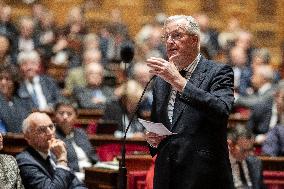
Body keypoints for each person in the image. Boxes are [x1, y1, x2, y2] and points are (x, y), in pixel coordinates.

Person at [145, 15, 235, 189]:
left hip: (203, 176)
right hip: (166, 175)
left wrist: (180, 82)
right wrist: (152, 139)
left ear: (194, 40)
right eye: (166, 37)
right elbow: (159, 125)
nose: (169, 42)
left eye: (177, 35)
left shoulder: (218, 72)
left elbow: (222, 109)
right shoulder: (161, 81)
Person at [16, 112, 87, 189]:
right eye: (42, 129)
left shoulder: (55, 153)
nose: (50, 133)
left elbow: (76, 184)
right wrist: (61, 160)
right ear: (27, 136)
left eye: (51, 126)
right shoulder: (24, 162)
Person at [54, 102, 99, 181]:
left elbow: (93, 155)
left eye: (69, 114)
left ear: (76, 116)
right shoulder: (52, 136)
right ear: (55, 115)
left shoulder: (81, 133)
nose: (65, 117)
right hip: (73, 177)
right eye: (61, 113)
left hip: (91, 173)